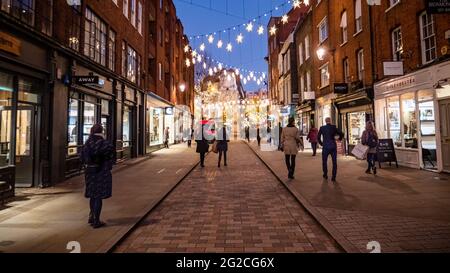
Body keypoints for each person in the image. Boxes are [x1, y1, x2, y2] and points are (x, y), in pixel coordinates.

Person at [81, 124, 114, 229]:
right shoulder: (105, 143)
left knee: (92, 195)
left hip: (90, 172)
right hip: (101, 172)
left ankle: (92, 215)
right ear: (101, 131)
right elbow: (111, 156)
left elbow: (82, 156)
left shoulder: (87, 143)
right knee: (98, 196)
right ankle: (96, 220)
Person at [318, 118, 344, 182]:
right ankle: (333, 177)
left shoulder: (322, 128)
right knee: (334, 162)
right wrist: (339, 139)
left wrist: (321, 143)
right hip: (333, 146)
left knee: (324, 161)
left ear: (325, 121)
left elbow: (318, 137)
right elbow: (341, 133)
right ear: (330, 121)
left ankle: (325, 174)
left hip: (325, 146)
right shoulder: (334, 127)